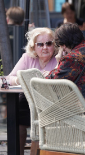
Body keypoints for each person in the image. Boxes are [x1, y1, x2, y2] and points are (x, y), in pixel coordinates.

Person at [5, 27, 58, 155]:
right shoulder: (27, 58)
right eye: (40, 44)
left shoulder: (58, 58)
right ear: (34, 47)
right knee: (17, 122)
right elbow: (5, 80)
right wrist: (22, 79)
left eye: (49, 43)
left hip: (50, 100)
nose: (44, 47)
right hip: (28, 98)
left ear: (54, 45)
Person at [46, 23, 85, 93]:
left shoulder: (72, 58)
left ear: (63, 45)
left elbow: (52, 82)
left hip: (79, 102)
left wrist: (58, 62)